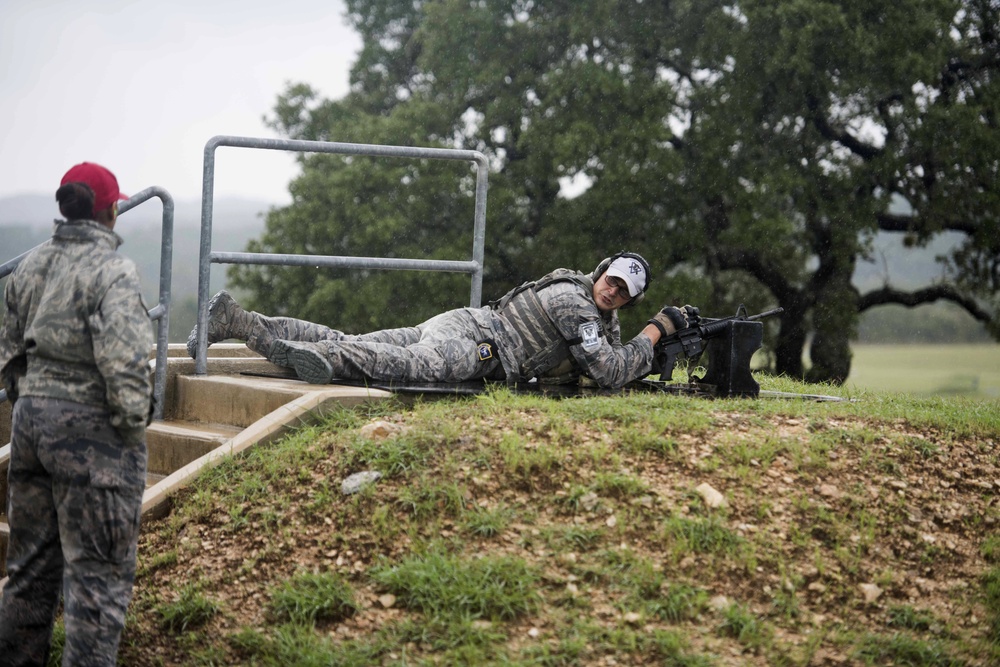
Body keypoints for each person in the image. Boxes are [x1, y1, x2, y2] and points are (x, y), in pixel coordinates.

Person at [0, 162, 153, 667]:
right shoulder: (113, 271)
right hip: (93, 439)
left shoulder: (30, 266)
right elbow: (126, 366)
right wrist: (130, 431)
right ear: (111, 211)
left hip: (29, 427)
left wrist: (32, 404)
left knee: (27, 575)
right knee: (96, 587)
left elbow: (8, 356)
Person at [188, 252, 695, 389]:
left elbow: (606, 358)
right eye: (611, 279)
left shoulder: (592, 309)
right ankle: (313, 357)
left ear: (626, 298)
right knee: (402, 364)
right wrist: (656, 332)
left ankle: (237, 319)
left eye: (622, 291)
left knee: (360, 339)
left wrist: (646, 338)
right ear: (601, 271)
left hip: (467, 324)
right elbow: (606, 370)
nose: (611, 289)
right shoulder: (578, 303)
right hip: (481, 345)